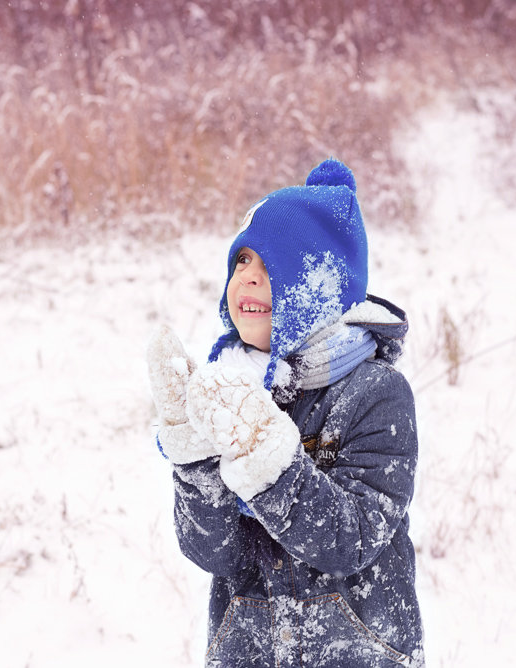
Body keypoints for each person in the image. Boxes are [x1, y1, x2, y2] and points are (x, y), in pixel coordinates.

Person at [147, 158, 424, 667]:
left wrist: (265, 457)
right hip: (247, 651)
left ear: (317, 285)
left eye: (270, 265)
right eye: (241, 261)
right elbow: (215, 554)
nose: (246, 279)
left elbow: (353, 538)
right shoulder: (228, 388)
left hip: (359, 651)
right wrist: (195, 454)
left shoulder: (376, 395)